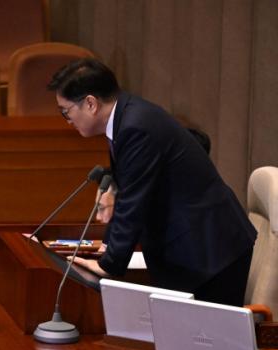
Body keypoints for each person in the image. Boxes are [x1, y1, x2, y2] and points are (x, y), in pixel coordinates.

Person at [49, 58, 257, 306]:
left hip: (210, 252)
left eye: (66, 112)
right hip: (200, 249)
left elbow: (133, 203)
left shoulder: (134, 126)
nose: (67, 121)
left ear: (91, 103)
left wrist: (109, 264)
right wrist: (114, 184)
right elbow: (150, 166)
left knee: (207, 341)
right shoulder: (129, 115)